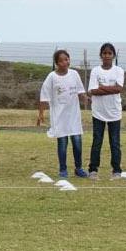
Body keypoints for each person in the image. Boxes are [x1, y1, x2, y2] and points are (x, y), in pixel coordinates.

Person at [38, 49, 89, 179]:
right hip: (59, 117)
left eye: (66, 59)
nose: (64, 63)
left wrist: (86, 99)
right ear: (56, 63)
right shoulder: (52, 77)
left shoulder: (74, 74)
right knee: (62, 142)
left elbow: (80, 91)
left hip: (74, 116)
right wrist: (41, 114)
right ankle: (63, 169)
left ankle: (78, 168)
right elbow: (44, 96)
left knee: (77, 142)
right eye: (61, 61)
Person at [87, 42, 125, 179]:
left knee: (114, 142)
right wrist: (110, 89)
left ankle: (116, 170)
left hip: (114, 112)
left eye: (110, 53)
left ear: (114, 55)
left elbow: (119, 89)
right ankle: (93, 169)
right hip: (98, 113)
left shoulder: (119, 71)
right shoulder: (95, 71)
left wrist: (103, 87)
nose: (107, 56)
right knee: (97, 141)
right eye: (105, 53)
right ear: (101, 55)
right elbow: (93, 91)